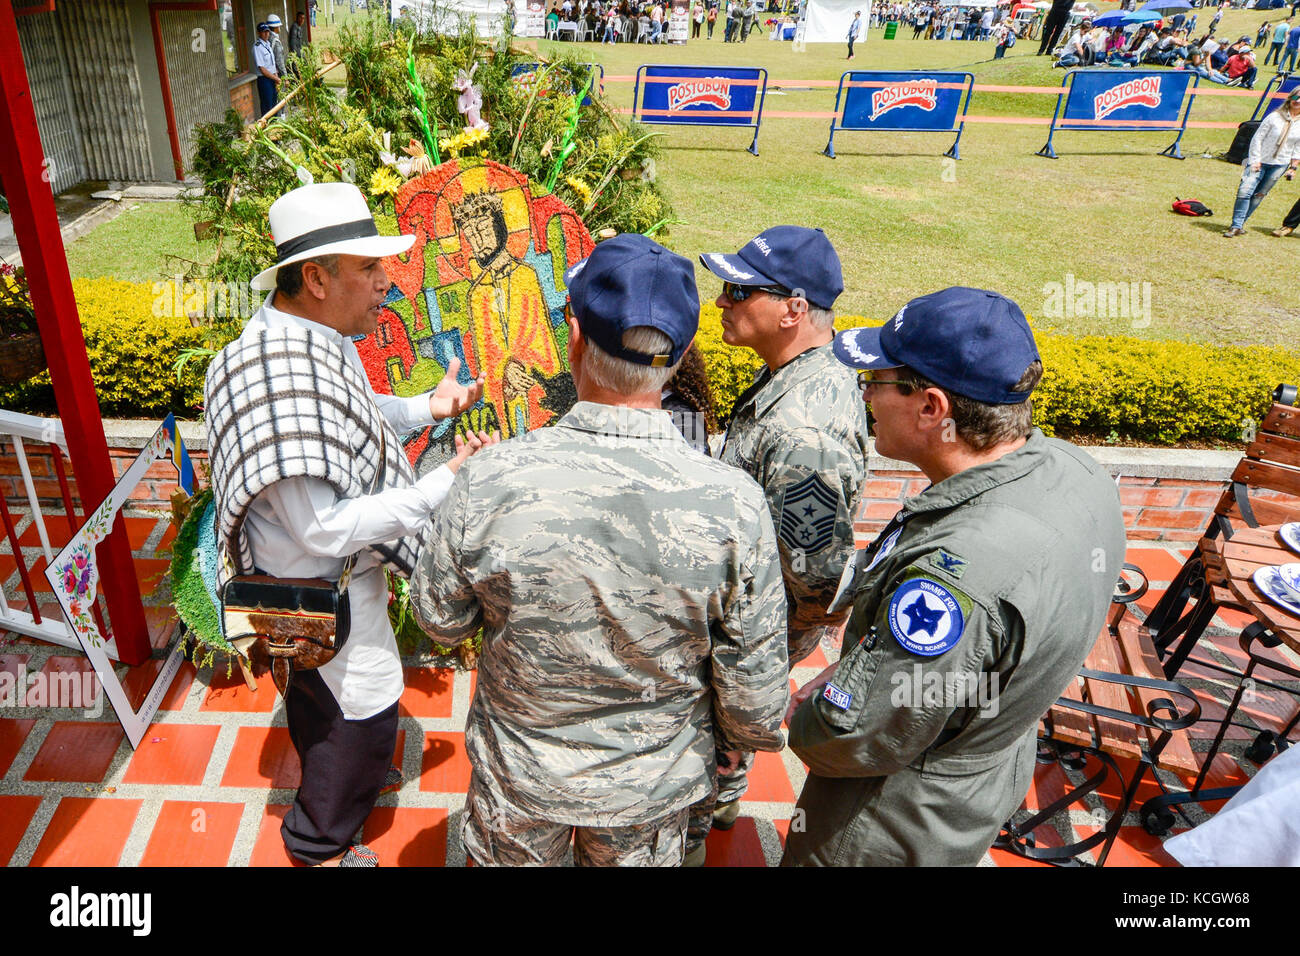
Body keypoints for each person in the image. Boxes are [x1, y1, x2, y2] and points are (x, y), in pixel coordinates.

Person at [408, 234, 789, 867]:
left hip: (520, 782)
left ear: (575, 336)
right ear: (683, 350)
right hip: (651, 792)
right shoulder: (735, 505)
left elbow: (437, 620)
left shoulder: (490, 478)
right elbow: (754, 709)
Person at [782, 287, 1125, 867]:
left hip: (883, 823)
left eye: (878, 381)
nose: (866, 396)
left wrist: (809, 718)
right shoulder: (1074, 469)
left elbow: (860, 732)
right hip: (975, 776)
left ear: (932, 407)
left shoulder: (956, 580)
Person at [203, 182, 490, 867]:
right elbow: (326, 531)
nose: (385, 284)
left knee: (322, 704)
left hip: (320, 588)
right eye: (368, 269)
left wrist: (427, 409)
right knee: (356, 715)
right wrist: (440, 485)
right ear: (315, 278)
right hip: (314, 594)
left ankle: (346, 780)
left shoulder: (304, 338)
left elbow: (351, 418)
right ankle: (318, 839)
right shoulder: (281, 371)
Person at [688, 227, 869, 864]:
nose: (721, 302)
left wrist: (758, 651)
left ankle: (700, 814)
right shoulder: (794, 381)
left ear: (793, 308)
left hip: (759, 626)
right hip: (756, 620)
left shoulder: (804, 429)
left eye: (740, 290)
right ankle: (724, 794)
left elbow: (816, 578)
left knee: (710, 733)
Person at [1224, 88, 1300, 236]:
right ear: (1290, 98)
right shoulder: (1274, 117)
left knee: (1259, 194)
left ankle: (1240, 224)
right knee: (1244, 191)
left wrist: (1293, 167)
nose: (1298, 101)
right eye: (1296, 97)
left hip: (1280, 164)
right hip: (1260, 160)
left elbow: (1298, 146)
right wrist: (1255, 159)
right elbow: (1257, 138)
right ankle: (1235, 225)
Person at [253, 22, 278, 116]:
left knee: (274, 103)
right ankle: (267, 128)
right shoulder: (257, 47)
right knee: (267, 105)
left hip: (272, 78)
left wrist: (276, 76)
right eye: (264, 32)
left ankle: (276, 126)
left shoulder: (268, 44)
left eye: (267, 31)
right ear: (259, 33)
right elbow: (262, 69)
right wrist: (276, 79)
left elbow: (272, 63)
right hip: (264, 80)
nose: (266, 34)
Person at [266, 13, 288, 81]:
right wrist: (286, 77)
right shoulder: (275, 42)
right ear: (275, 27)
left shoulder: (267, 38)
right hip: (278, 75)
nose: (279, 28)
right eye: (279, 26)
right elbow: (279, 61)